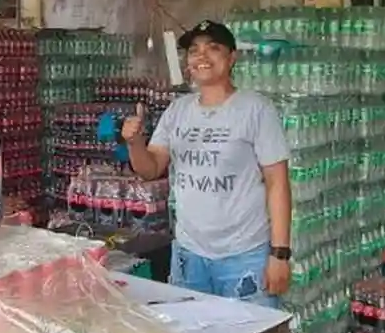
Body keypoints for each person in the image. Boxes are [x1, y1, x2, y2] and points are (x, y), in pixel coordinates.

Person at [122, 20, 292, 307]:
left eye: (213, 48)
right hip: (190, 255)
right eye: (194, 51)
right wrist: (135, 142)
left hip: (244, 256)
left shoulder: (256, 109)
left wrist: (280, 254)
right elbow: (150, 169)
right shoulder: (177, 110)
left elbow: (278, 184)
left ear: (231, 57)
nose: (202, 56)